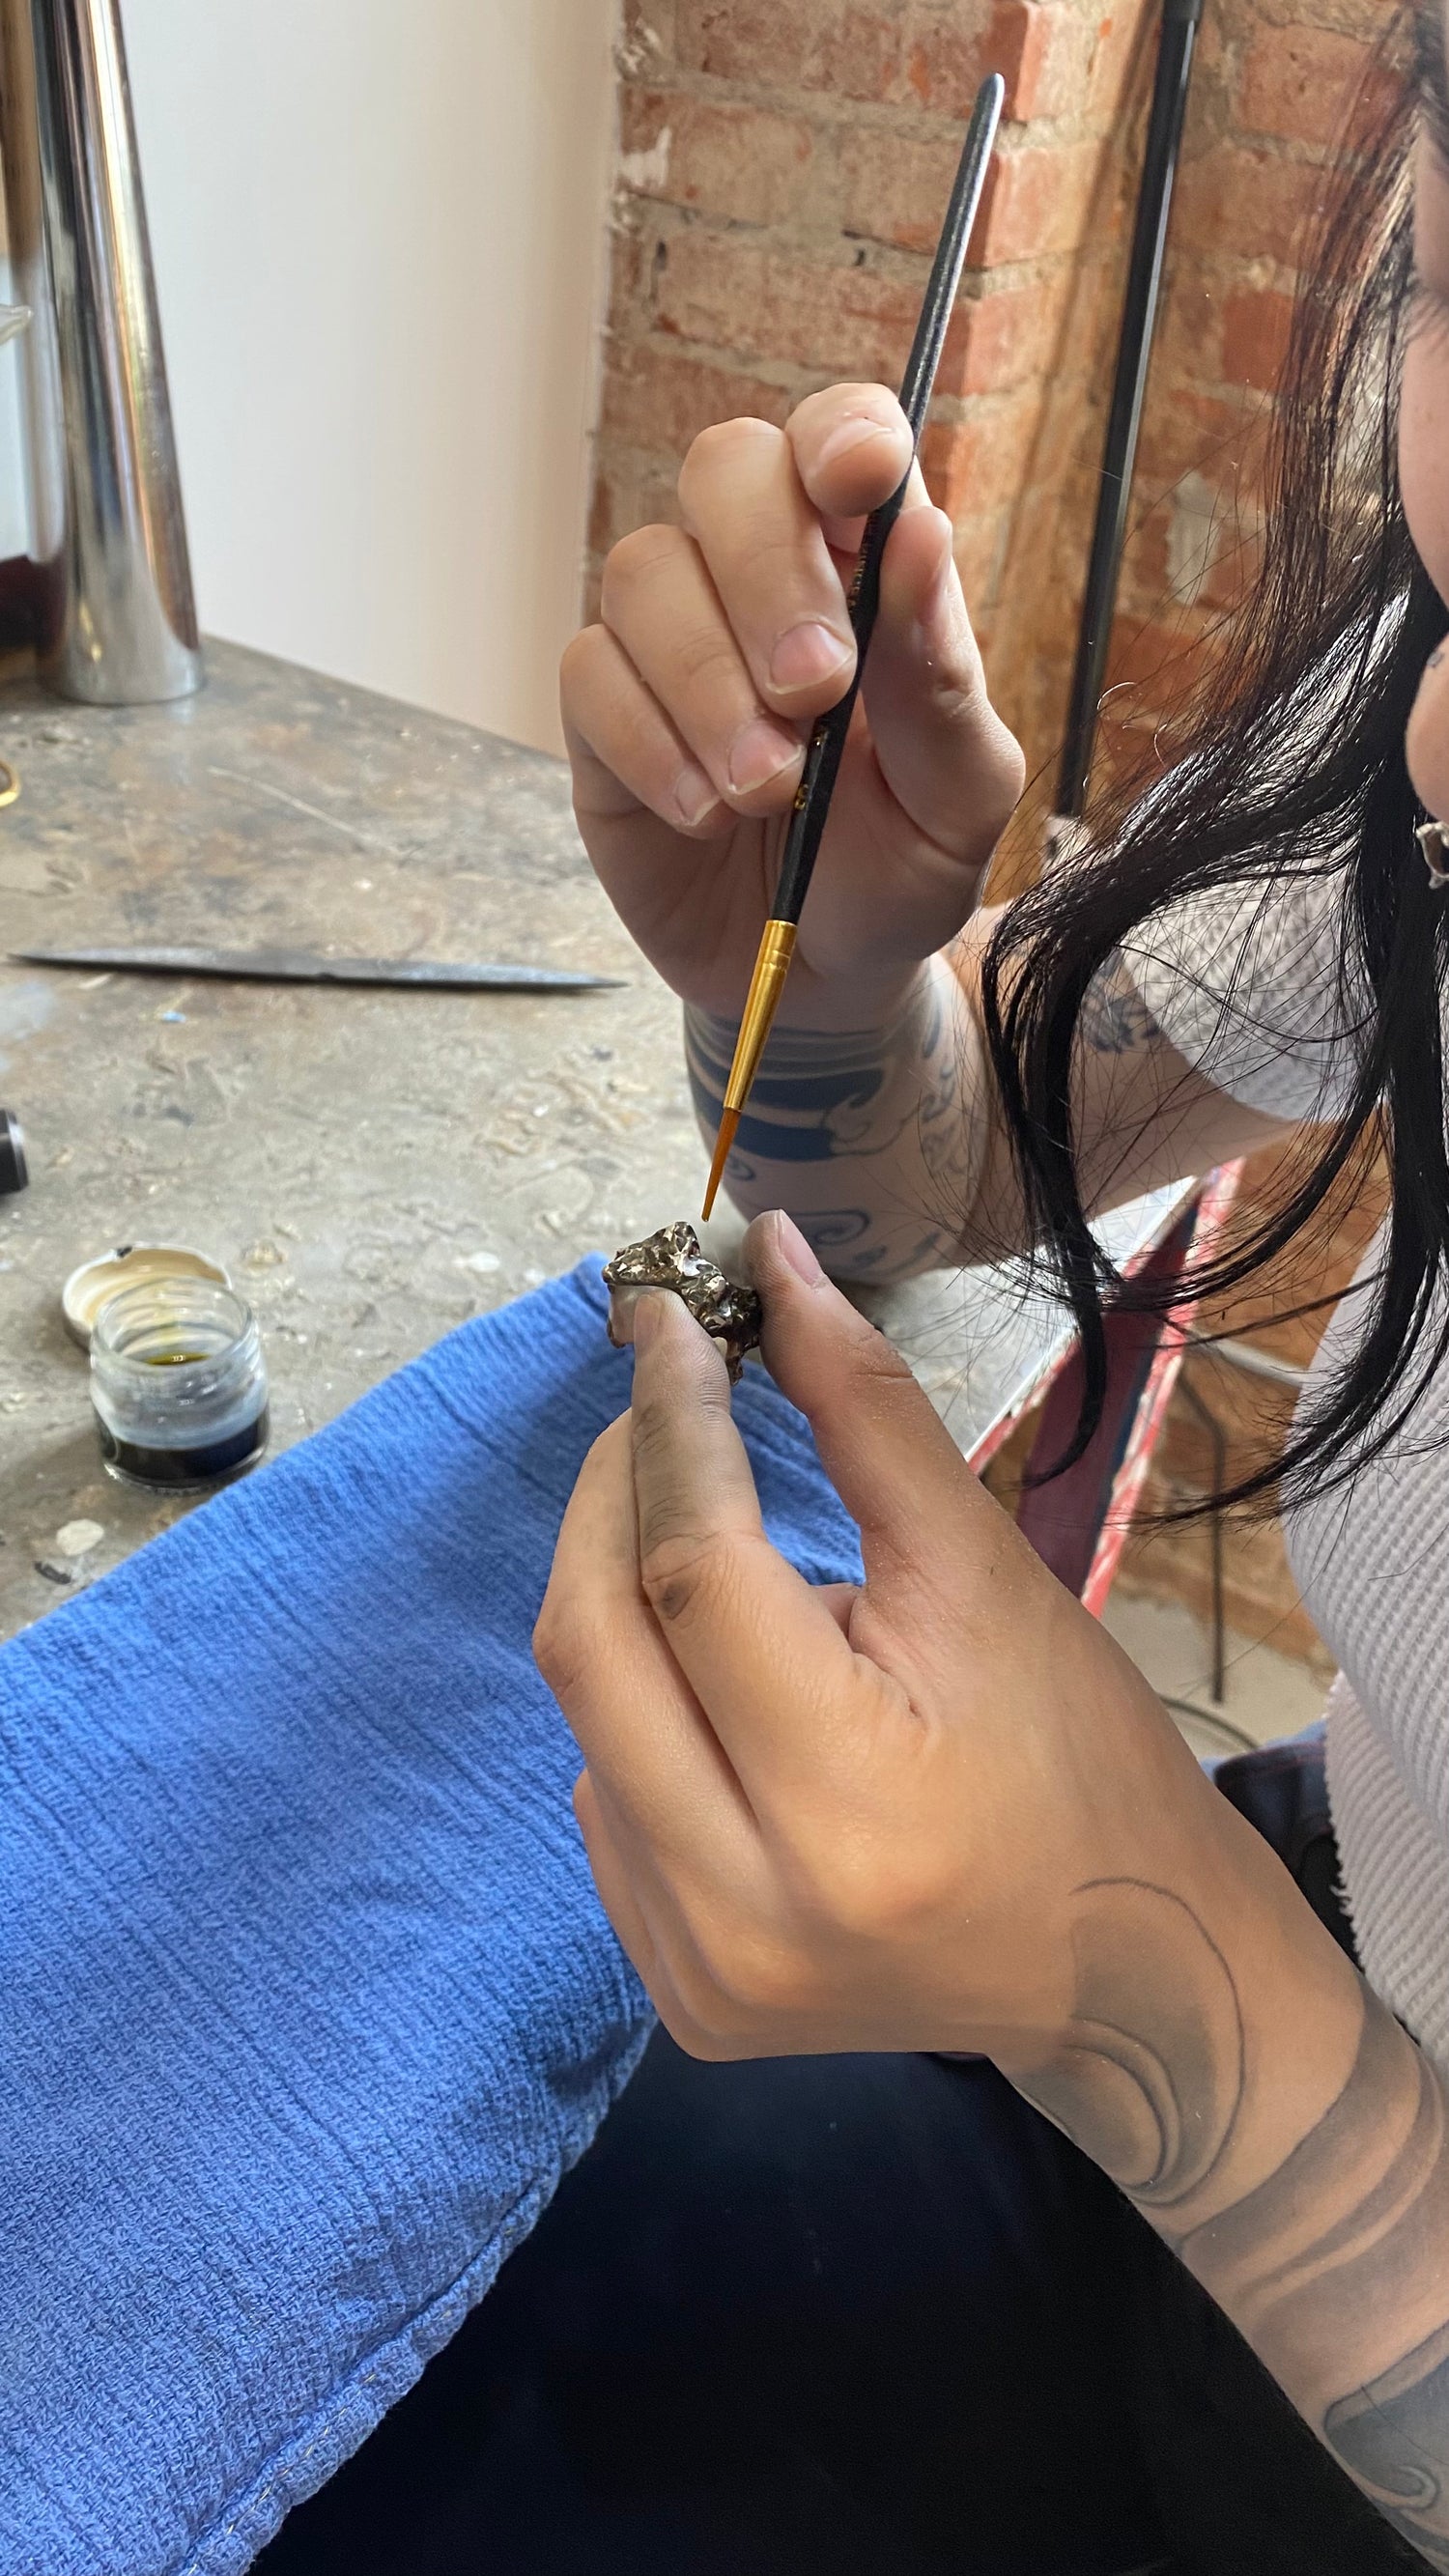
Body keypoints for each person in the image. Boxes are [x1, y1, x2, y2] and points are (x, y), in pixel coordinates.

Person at [258, 9, 1449, 2573]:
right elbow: (988, 1173)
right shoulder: (1423, 693)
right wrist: (817, 995)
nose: (1435, 748)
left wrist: (1155, 1983)